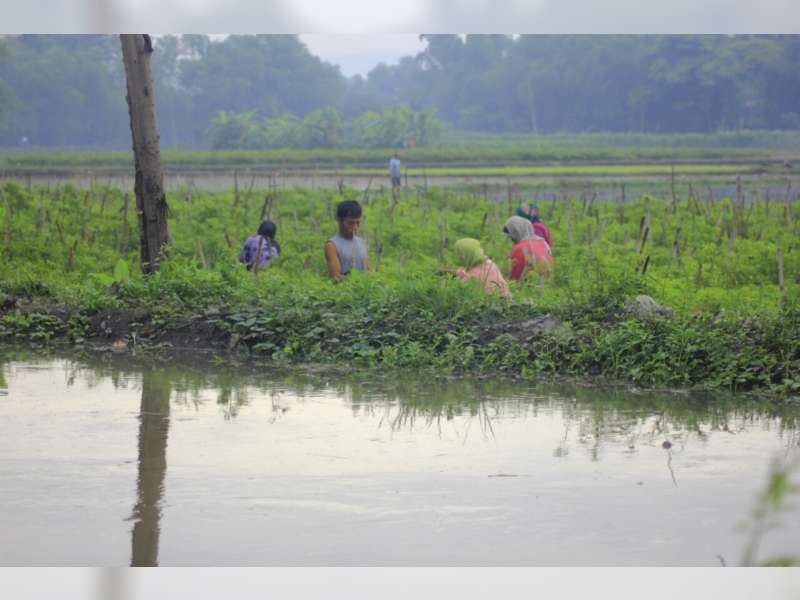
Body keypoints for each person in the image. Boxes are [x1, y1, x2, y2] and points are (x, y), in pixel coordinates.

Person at [439, 238, 511, 298]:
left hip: (488, 306)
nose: (459, 257)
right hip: (506, 303)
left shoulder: (470, 277)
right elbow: (464, 272)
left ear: (464, 255)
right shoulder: (490, 264)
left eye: (459, 254)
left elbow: (457, 292)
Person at [325, 200, 369, 281]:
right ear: (339, 220)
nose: (355, 227)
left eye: (358, 223)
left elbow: (369, 272)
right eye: (350, 223)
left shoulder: (362, 242)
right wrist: (359, 280)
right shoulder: (332, 245)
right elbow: (336, 278)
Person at [503, 216, 553, 281]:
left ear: (517, 231)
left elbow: (515, 279)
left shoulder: (519, 248)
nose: (512, 240)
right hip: (549, 282)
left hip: (531, 284)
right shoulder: (543, 242)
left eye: (512, 236)